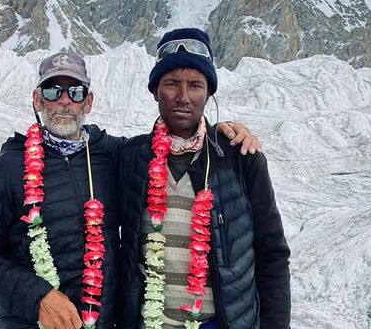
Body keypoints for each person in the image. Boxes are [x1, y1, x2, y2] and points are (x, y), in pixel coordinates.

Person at [0, 51, 261, 329]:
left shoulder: (113, 155)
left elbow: (168, 146)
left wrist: (222, 132)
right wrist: (38, 298)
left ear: (88, 102)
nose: (64, 101)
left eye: (75, 92)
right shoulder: (11, 166)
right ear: (38, 100)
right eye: (53, 91)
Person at [116, 28, 291, 329]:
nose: (183, 97)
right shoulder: (132, 158)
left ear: (209, 93)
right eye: (171, 84)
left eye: (195, 85)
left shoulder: (239, 157)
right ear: (156, 90)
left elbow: (271, 253)